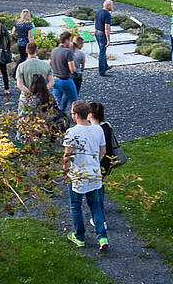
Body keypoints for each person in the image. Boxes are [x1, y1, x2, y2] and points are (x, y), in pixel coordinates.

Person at [63, 100, 108, 252]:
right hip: (94, 173)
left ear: (76, 115)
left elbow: (67, 156)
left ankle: (79, 236)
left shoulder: (71, 132)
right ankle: (102, 237)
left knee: (76, 205)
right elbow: (102, 151)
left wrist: (65, 170)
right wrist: (94, 163)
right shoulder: (98, 130)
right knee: (95, 205)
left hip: (77, 174)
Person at [15, 42, 51, 114]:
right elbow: (51, 82)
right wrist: (43, 90)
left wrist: (30, 93)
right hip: (43, 97)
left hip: (26, 98)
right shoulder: (46, 65)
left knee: (23, 120)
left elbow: (20, 84)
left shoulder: (21, 66)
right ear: (37, 51)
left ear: (26, 51)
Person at [49, 32, 79, 117]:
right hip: (65, 80)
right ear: (66, 40)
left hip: (55, 80)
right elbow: (72, 68)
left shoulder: (54, 50)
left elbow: (49, 63)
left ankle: (58, 119)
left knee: (57, 102)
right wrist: (75, 69)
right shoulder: (67, 52)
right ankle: (78, 118)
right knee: (75, 101)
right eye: (69, 40)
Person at [94, 0, 114, 76]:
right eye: (112, 5)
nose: (112, 7)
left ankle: (105, 66)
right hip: (102, 34)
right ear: (108, 6)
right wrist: (108, 40)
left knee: (102, 50)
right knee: (102, 53)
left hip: (97, 32)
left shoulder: (98, 11)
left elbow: (95, 21)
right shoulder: (107, 14)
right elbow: (106, 28)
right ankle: (102, 71)